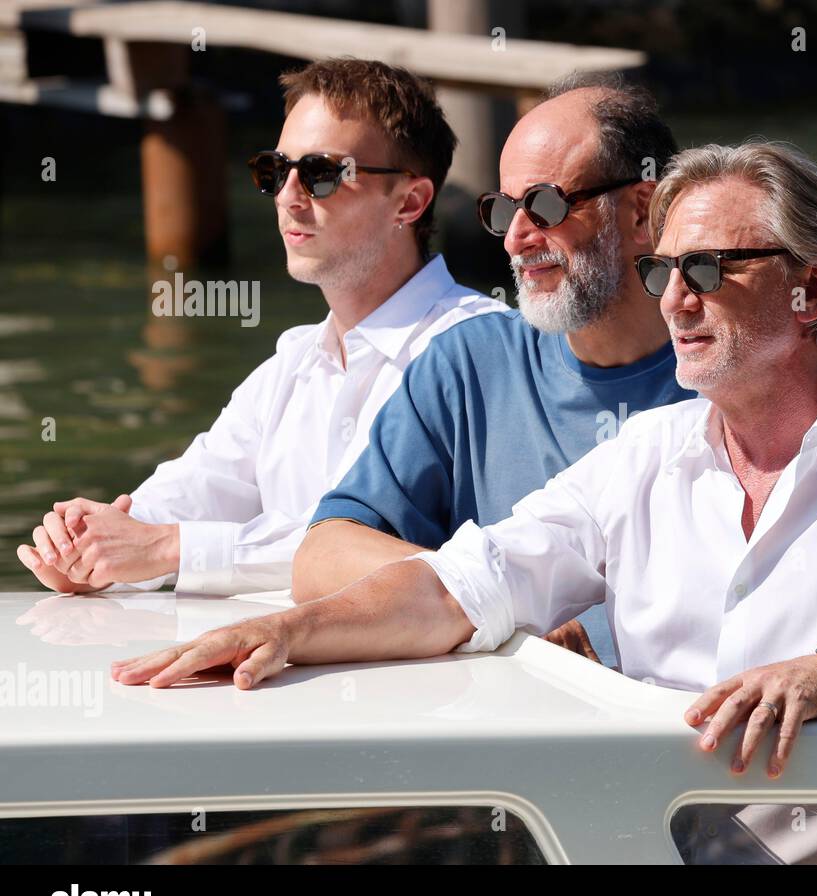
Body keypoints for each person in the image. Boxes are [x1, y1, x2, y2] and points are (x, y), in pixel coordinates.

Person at [113, 141, 817, 863]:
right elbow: (473, 583)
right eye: (660, 269)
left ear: (812, 292)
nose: (673, 298)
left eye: (708, 271)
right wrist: (288, 632)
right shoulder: (641, 460)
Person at [15, 57, 507, 597]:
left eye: (321, 174)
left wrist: (162, 549)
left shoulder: (483, 353)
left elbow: (392, 551)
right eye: (274, 170)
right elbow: (189, 492)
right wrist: (89, 544)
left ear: (409, 201)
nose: (288, 196)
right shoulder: (291, 363)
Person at [293, 73, 691, 666]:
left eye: (546, 205)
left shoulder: (730, 382)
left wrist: (591, 630)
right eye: (503, 211)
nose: (516, 240)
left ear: (642, 211)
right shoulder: (467, 365)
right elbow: (322, 557)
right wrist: (487, 597)